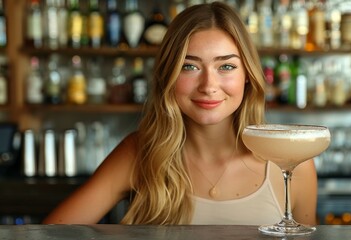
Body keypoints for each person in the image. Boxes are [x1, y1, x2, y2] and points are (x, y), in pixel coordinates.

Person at [42, 2, 317, 225]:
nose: (209, 86)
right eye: (189, 66)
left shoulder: (293, 163)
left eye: (227, 67)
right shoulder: (139, 153)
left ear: (248, 76)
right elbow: (51, 233)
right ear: (168, 76)